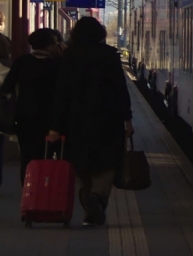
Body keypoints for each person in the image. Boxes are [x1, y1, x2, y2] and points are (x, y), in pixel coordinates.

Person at [50, 17, 132, 226]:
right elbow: (121, 90)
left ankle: (87, 198)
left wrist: (55, 127)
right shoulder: (110, 56)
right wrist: (128, 119)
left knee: (80, 162)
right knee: (107, 163)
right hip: (109, 119)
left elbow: (61, 94)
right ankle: (97, 197)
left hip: (76, 120)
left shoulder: (69, 57)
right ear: (100, 34)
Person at [0, 28, 64, 183]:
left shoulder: (22, 62)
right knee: (47, 157)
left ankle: (28, 190)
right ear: (49, 45)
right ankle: (45, 189)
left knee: (27, 159)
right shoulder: (58, 65)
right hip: (51, 121)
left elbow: (7, 88)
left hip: (25, 119)